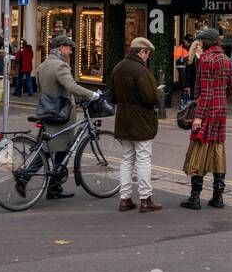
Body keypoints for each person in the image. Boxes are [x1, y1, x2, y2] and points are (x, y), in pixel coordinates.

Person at [35, 34, 98, 200]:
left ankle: (49, 186)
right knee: (62, 149)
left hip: (46, 111)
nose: (70, 51)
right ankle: (50, 186)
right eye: (68, 48)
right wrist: (91, 95)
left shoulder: (43, 65)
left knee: (49, 149)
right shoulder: (60, 66)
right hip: (60, 114)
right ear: (61, 48)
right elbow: (71, 86)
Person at [181, 28, 232, 209]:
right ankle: (218, 197)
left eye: (202, 40)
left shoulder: (206, 59)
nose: (200, 42)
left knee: (199, 150)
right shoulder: (226, 60)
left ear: (207, 41)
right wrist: (221, 97)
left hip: (206, 110)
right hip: (220, 110)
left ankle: (195, 198)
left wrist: (198, 116)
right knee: (218, 150)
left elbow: (205, 92)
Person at [110, 37, 164, 213]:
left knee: (127, 159)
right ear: (141, 52)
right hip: (140, 121)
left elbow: (113, 97)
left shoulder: (117, 68)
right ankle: (145, 199)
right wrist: (158, 93)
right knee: (143, 160)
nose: (147, 57)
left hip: (123, 120)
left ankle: (124, 199)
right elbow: (150, 99)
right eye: (147, 53)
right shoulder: (141, 71)